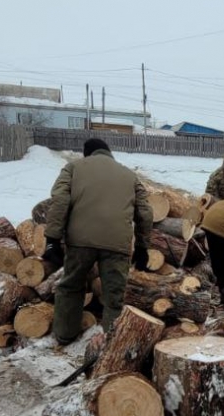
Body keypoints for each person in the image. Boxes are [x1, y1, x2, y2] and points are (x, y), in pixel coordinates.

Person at [43, 139, 153, 346]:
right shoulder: (129, 175)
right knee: (114, 296)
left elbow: (59, 201)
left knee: (71, 287)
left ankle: (65, 335)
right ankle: (112, 344)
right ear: (108, 153)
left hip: (80, 241)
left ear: (87, 153)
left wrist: (52, 239)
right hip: (117, 243)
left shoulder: (73, 168)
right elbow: (145, 213)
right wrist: (142, 246)